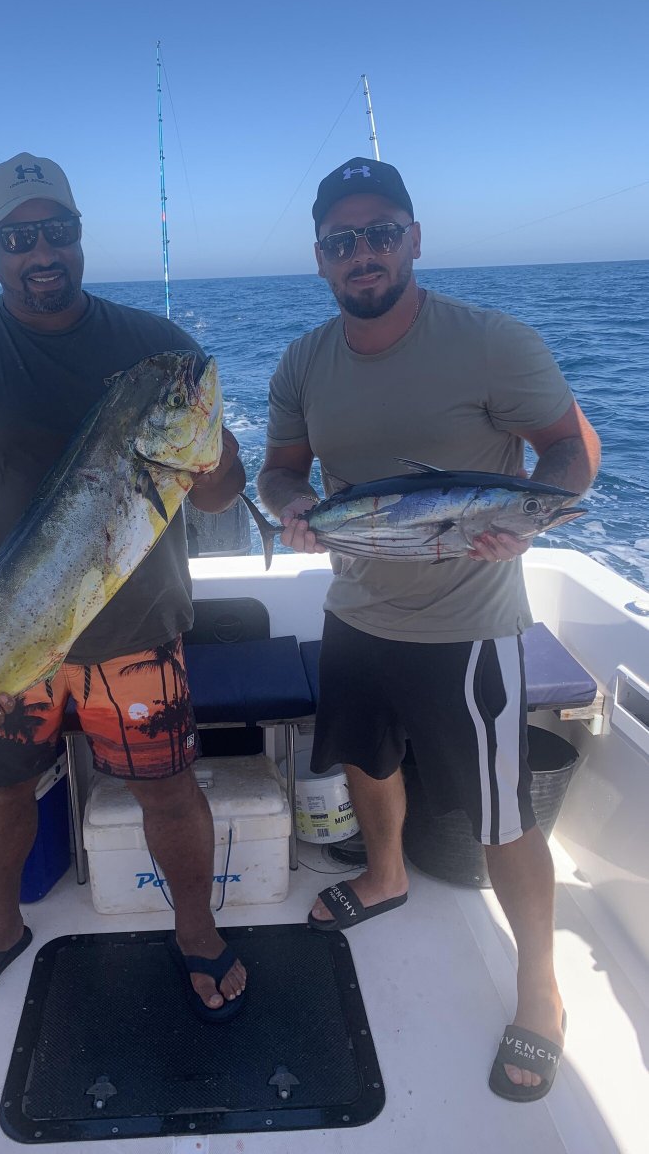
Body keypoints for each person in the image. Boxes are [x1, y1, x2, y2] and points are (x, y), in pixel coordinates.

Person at [257, 157, 601, 1102]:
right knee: (367, 762)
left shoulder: (491, 342)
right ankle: (385, 876)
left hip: (470, 628)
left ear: (413, 238)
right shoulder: (303, 362)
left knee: (502, 813)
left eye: (380, 232)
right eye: (341, 240)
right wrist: (290, 506)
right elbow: (282, 470)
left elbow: (571, 450)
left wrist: (528, 520)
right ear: (320, 258)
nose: (361, 252)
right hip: (356, 611)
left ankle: (540, 991)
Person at [0, 153, 248, 1021]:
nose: (42, 251)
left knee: (169, 788)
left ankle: (197, 928)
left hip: (138, 631)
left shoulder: (158, 350)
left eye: (57, 230)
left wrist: (214, 456)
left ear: (80, 233)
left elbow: (218, 494)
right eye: (19, 238)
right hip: (5, 645)